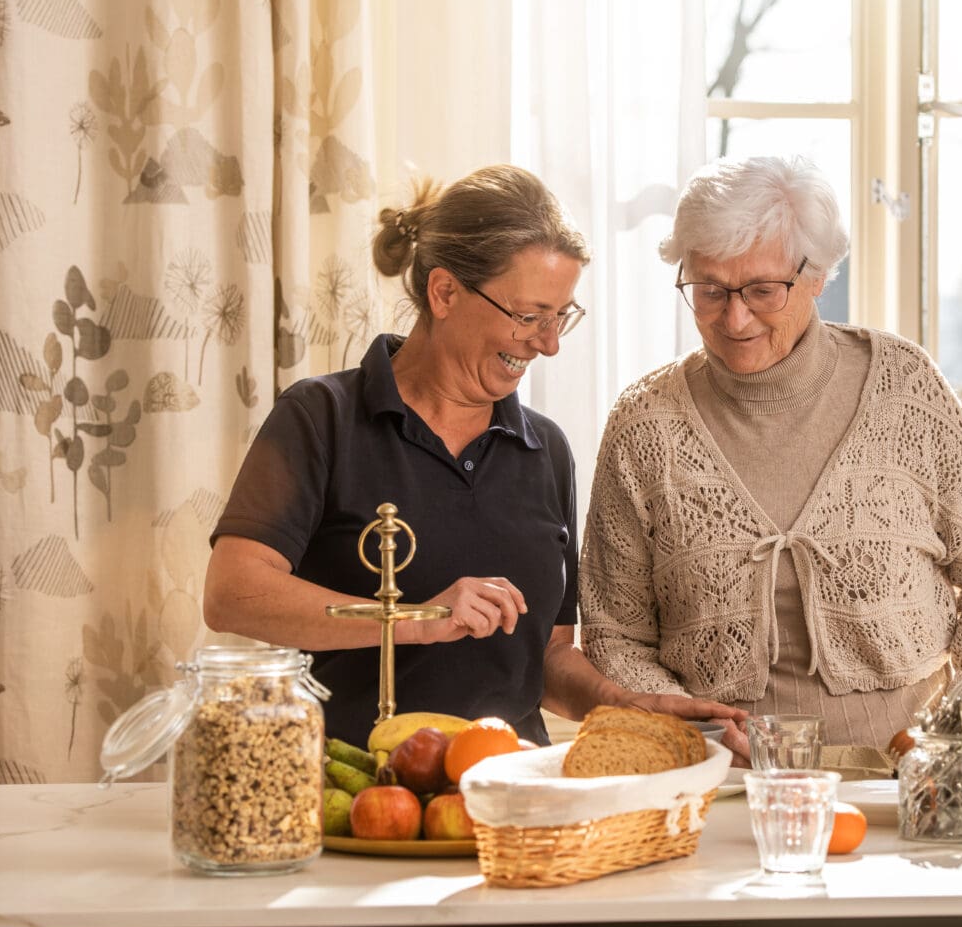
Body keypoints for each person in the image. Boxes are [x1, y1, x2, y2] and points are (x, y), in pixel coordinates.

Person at [204, 164, 742, 749]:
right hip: (358, 785)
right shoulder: (321, 417)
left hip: (512, 786)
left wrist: (620, 704)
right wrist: (417, 620)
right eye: (529, 316)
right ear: (444, 293)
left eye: (560, 316)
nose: (549, 343)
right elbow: (232, 594)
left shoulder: (545, 449)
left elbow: (546, 653)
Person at [579, 156, 962, 767]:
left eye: (763, 290)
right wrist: (698, 734)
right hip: (724, 779)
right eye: (710, 290)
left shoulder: (904, 388)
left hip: (916, 776)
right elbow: (615, 633)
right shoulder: (644, 425)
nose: (734, 318)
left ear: (817, 275)